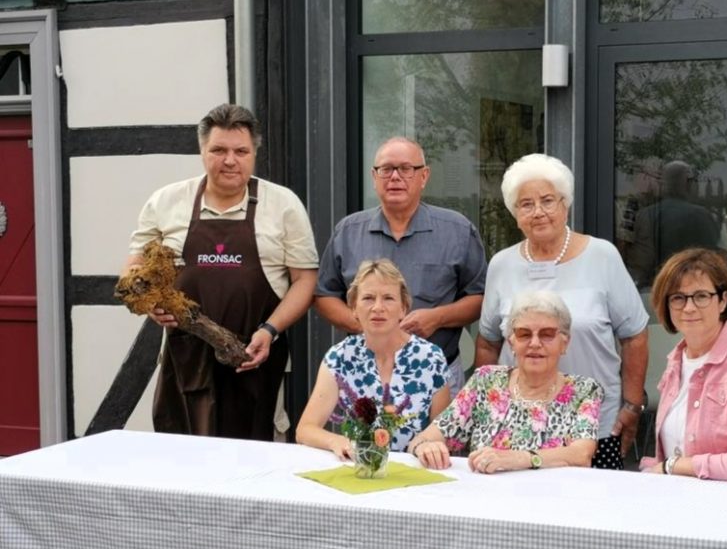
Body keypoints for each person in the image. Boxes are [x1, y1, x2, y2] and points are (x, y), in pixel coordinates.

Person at [124, 103, 318, 440]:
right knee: (182, 460)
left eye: (241, 151)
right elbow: (135, 266)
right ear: (202, 151)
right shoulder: (166, 202)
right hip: (186, 360)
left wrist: (270, 330)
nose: (230, 160)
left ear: (253, 153)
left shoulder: (283, 205)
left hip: (255, 356)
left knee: (256, 461)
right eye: (219, 150)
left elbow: (305, 281)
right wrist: (151, 303)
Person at [473, 153, 649, 469]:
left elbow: (634, 335)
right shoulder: (501, 264)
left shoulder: (602, 256)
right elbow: (488, 342)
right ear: (515, 214)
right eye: (526, 204)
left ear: (565, 204)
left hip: (594, 423)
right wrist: (486, 407)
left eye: (547, 201)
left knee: (593, 512)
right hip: (515, 426)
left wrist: (633, 406)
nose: (538, 212)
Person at [315, 137, 487, 393]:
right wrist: (364, 323)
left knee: (437, 435)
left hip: (437, 372)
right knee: (360, 436)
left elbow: (481, 297)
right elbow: (325, 296)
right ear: (374, 176)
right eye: (386, 169)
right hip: (364, 373)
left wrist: (437, 318)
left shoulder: (457, 230)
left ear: (424, 176)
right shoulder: (348, 231)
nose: (395, 177)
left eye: (406, 169)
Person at [409, 290, 603, 472]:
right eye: (524, 334)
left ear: (565, 343)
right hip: (486, 499)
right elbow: (425, 438)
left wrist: (518, 459)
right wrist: (426, 447)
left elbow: (581, 454)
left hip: (551, 501)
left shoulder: (584, 391)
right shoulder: (486, 381)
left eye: (547, 334)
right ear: (512, 342)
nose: (535, 343)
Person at [639, 248, 727, 483]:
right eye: (678, 298)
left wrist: (673, 466)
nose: (689, 307)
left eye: (701, 296)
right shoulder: (674, 362)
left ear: (723, 300)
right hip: (683, 502)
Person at [296, 259, 451, 455]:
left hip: (416, 471)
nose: (378, 307)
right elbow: (305, 429)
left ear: (403, 309)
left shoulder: (431, 358)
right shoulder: (339, 357)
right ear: (353, 308)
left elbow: (445, 432)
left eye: (388, 298)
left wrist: (427, 447)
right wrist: (337, 441)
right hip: (360, 469)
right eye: (368, 298)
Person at [626, 160, 719, 287]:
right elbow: (713, 261)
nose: (697, 186)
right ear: (687, 183)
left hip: (658, 289)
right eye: (695, 182)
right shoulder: (702, 215)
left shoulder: (646, 215)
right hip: (695, 289)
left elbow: (642, 262)